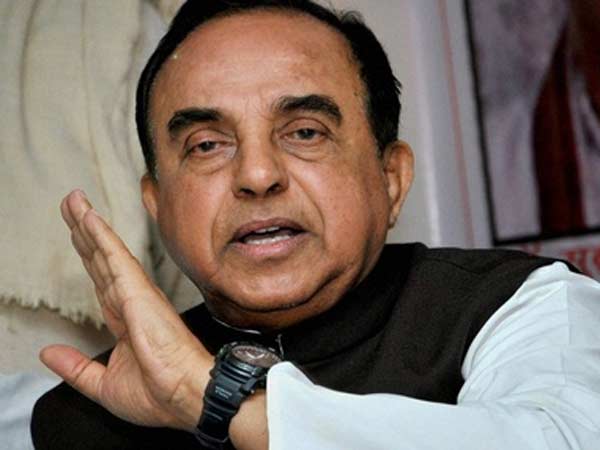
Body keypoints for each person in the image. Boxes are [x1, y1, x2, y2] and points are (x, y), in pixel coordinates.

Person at [31, 1, 600, 449]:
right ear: (157, 206)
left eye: (305, 132)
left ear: (391, 178)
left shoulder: (521, 305)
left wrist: (206, 398)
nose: (257, 175)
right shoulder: (91, 414)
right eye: (207, 145)